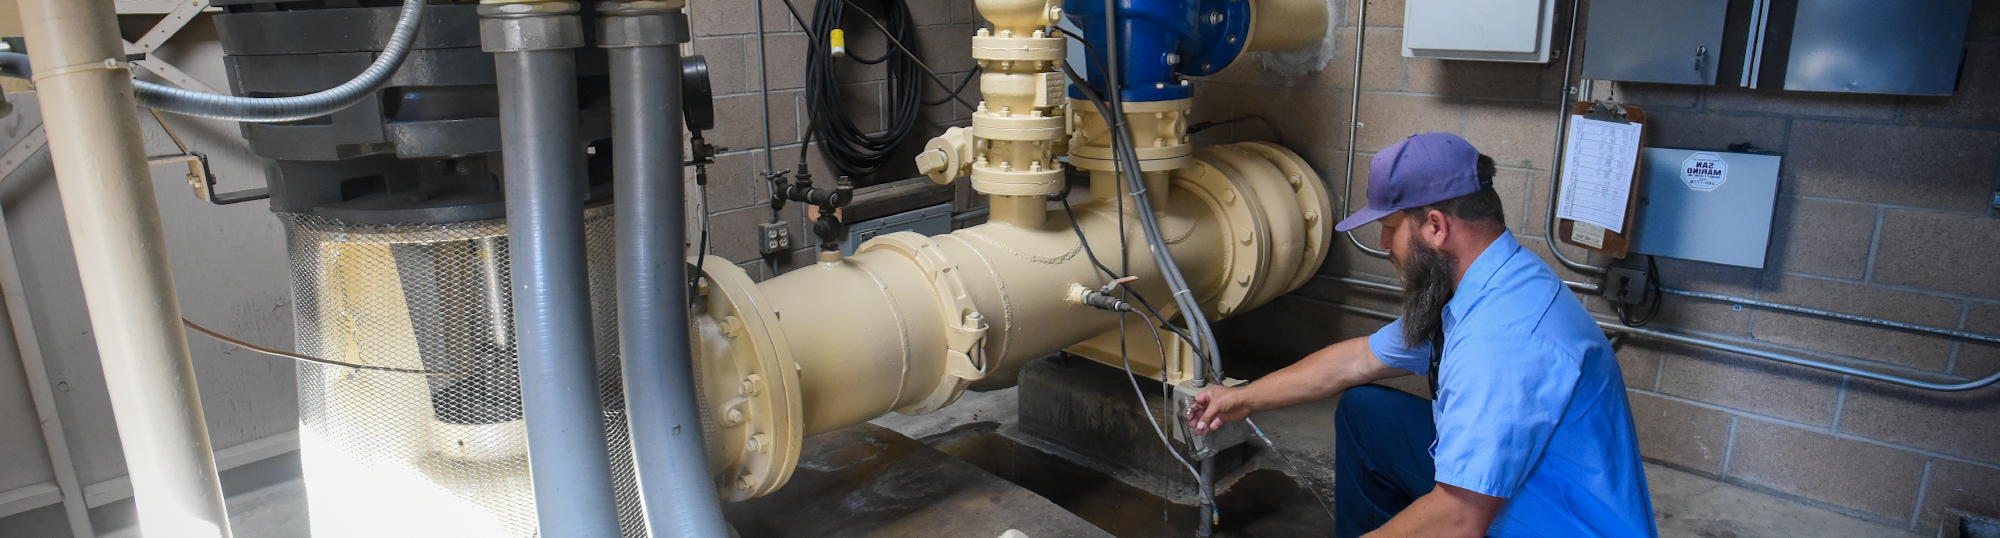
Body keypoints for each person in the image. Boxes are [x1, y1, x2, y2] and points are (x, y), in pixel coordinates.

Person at [1187, 133, 1657, 538]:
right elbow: (1355, 361)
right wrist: (1243, 399)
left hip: (1559, 521)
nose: (1382, 245)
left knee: (1448, 512)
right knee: (1367, 412)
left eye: (1390, 229)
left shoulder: (1501, 339)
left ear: (1435, 226)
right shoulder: (1485, 282)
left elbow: (1460, 518)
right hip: (1535, 481)